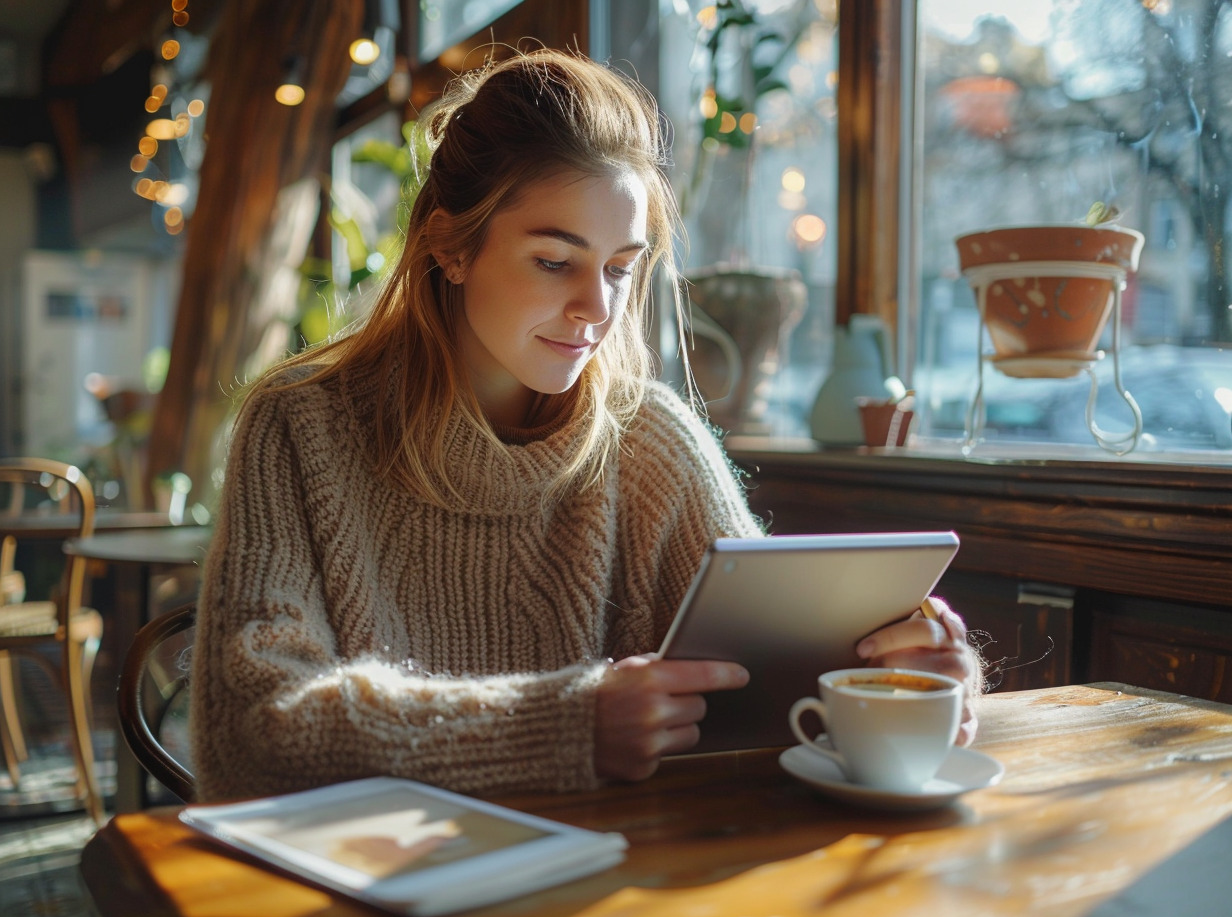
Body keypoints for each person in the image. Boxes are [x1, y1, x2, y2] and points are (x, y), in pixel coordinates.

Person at [190, 48, 980, 803]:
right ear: (450, 248)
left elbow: (776, 692)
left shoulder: (652, 444)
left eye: (618, 267)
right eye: (553, 260)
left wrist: (911, 681)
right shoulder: (301, 426)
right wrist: (558, 726)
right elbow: (253, 731)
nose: (597, 310)